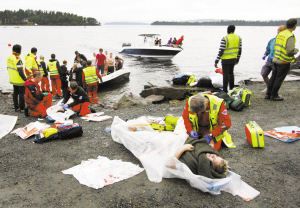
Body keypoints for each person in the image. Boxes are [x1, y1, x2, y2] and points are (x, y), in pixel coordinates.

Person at [265, 18, 299, 101]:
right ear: (295, 26)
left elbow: (276, 45)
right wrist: (297, 50)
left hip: (276, 58)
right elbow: (290, 50)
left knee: (273, 77)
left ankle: (268, 94)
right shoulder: (290, 36)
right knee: (279, 79)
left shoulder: (280, 34)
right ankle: (274, 95)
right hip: (284, 60)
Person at [214, 25, 242, 93]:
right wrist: (238, 59)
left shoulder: (225, 38)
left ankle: (225, 90)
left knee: (225, 74)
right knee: (231, 73)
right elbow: (240, 49)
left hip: (225, 59)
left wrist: (216, 61)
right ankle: (232, 89)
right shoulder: (238, 38)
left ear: (227, 30)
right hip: (233, 58)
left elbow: (221, 50)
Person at [261, 25, 286, 92]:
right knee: (264, 73)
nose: (279, 31)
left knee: (275, 77)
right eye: (278, 30)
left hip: (277, 61)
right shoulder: (272, 40)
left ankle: (272, 90)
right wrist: (265, 54)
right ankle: (268, 86)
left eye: (281, 30)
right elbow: (268, 49)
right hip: (269, 61)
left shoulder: (285, 41)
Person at [7, 44, 27, 112]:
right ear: (19, 50)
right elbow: (20, 71)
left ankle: (16, 107)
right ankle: (22, 108)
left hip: (13, 79)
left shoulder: (9, 57)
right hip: (19, 80)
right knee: (22, 94)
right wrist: (25, 79)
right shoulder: (17, 59)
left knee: (15, 93)